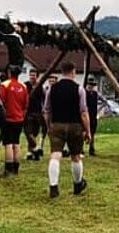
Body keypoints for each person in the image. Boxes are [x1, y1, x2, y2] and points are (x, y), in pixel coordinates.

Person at [44, 64, 91, 198]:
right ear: (73, 72)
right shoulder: (79, 89)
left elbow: (47, 111)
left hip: (57, 124)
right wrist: (88, 131)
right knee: (75, 156)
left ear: (62, 72)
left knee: (55, 155)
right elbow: (83, 112)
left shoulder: (51, 89)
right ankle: (77, 184)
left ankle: (53, 186)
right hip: (75, 125)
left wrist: (49, 126)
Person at [0, 66, 30, 176]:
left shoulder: (4, 85)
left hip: (8, 118)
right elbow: (26, 104)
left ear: (9, 73)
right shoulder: (23, 86)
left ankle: (8, 168)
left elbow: (0, 102)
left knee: (8, 144)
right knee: (16, 143)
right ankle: (16, 168)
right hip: (19, 118)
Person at [24, 73, 49, 161]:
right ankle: (36, 149)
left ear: (37, 77)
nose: (32, 77)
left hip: (37, 113)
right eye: (30, 75)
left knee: (34, 133)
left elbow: (44, 99)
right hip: (28, 113)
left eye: (33, 75)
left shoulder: (40, 87)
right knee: (28, 132)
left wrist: (44, 110)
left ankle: (30, 152)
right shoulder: (25, 85)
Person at [83, 78, 102, 157]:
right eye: (89, 85)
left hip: (93, 115)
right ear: (87, 85)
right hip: (85, 115)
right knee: (83, 132)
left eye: (92, 85)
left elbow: (105, 101)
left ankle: (92, 149)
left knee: (93, 133)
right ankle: (81, 149)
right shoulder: (83, 93)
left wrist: (99, 109)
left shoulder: (96, 94)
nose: (91, 86)